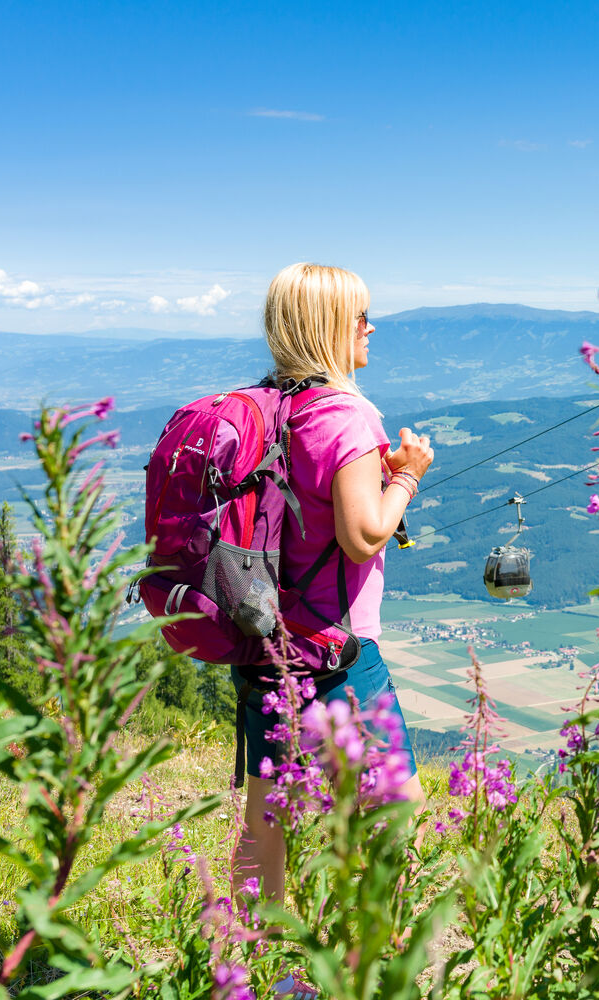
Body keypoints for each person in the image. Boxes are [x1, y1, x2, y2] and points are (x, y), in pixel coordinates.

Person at [232, 262, 434, 902]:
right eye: (361, 317)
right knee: (397, 809)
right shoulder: (345, 415)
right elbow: (364, 535)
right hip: (334, 649)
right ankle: (368, 946)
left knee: (267, 814)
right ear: (330, 325)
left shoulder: (270, 406)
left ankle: (246, 947)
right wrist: (408, 475)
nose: (371, 328)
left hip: (262, 637)